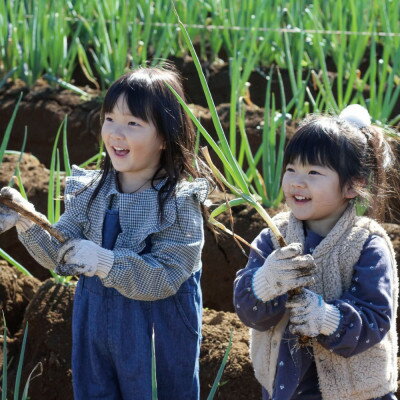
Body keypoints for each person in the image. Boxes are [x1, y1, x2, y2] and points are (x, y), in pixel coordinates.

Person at [0, 66, 212, 400]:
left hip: (156, 337)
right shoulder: (93, 192)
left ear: (165, 136)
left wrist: (104, 262)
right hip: (95, 331)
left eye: (133, 124)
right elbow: (62, 254)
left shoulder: (179, 203)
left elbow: (167, 277)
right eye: (110, 119)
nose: (116, 132)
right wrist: (26, 219)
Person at [233, 104, 398, 400]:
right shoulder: (274, 238)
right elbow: (248, 311)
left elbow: (375, 318)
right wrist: (266, 281)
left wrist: (326, 318)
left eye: (313, 172)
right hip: (285, 388)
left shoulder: (366, 244)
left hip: (356, 393)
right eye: (291, 169)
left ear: (352, 186)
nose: (297, 180)